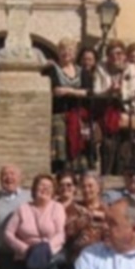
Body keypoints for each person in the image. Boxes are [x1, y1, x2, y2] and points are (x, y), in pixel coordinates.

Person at [94, 40, 135, 175]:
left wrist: (121, 91)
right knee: (108, 146)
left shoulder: (131, 68)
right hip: (107, 111)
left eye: (119, 53)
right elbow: (97, 90)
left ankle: (122, 175)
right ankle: (107, 174)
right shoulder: (101, 68)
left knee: (125, 146)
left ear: (124, 55)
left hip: (126, 110)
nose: (116, 57)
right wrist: (109, 90)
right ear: (108, 56)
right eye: (112, 54)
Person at [44, 38, 92, 172]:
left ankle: (78, 168)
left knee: (79, 139)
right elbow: (56, 91)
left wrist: (68, 90)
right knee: (60, 140)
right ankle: (62, 169)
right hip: (59, 112)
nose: (66, 53)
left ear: (74, 53)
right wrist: (77, 91)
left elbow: (87, 92)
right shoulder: (53, 71)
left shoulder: (82, 72)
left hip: (78, 113)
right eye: (63, 50)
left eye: (70, 50)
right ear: (58, 52)